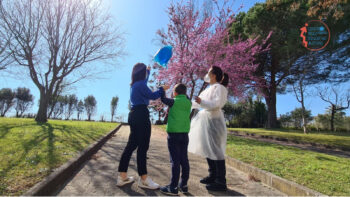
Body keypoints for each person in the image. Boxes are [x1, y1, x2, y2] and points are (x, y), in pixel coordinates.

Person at [117, 63, 169, 189]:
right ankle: (144, 179)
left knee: (131, 145)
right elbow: (152, 95)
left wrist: (148, 71)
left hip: (134, 114)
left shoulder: (135, 84)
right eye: (145, 72)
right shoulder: (140, 85)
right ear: (141, 73)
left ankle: (122, 177)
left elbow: (144, 81)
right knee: (143, 146)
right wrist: (162, 89)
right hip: (141, 115)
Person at [188, 66, 229, 191]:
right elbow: (197, 103)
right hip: (205, 121)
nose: (206, 74)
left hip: (214, 121)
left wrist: (202, 103)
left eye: (209, 72)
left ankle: (221, 181)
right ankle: (213, 175)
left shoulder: (220, 88)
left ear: (214, 75)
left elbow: (217, 104)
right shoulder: (208, 89)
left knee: (216, 150)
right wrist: (186, 102)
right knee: (208, 148)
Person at [158, 84, 192, 195]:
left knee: (175, 161)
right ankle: (184, 185)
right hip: (184, 135)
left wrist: (162, 89)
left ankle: (173, 187)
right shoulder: (189, 103)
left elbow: (163, 99)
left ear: (175, 93)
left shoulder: (173, 101)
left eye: (173, 92)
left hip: (173, 135)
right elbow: (185, 97)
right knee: (184, 159)